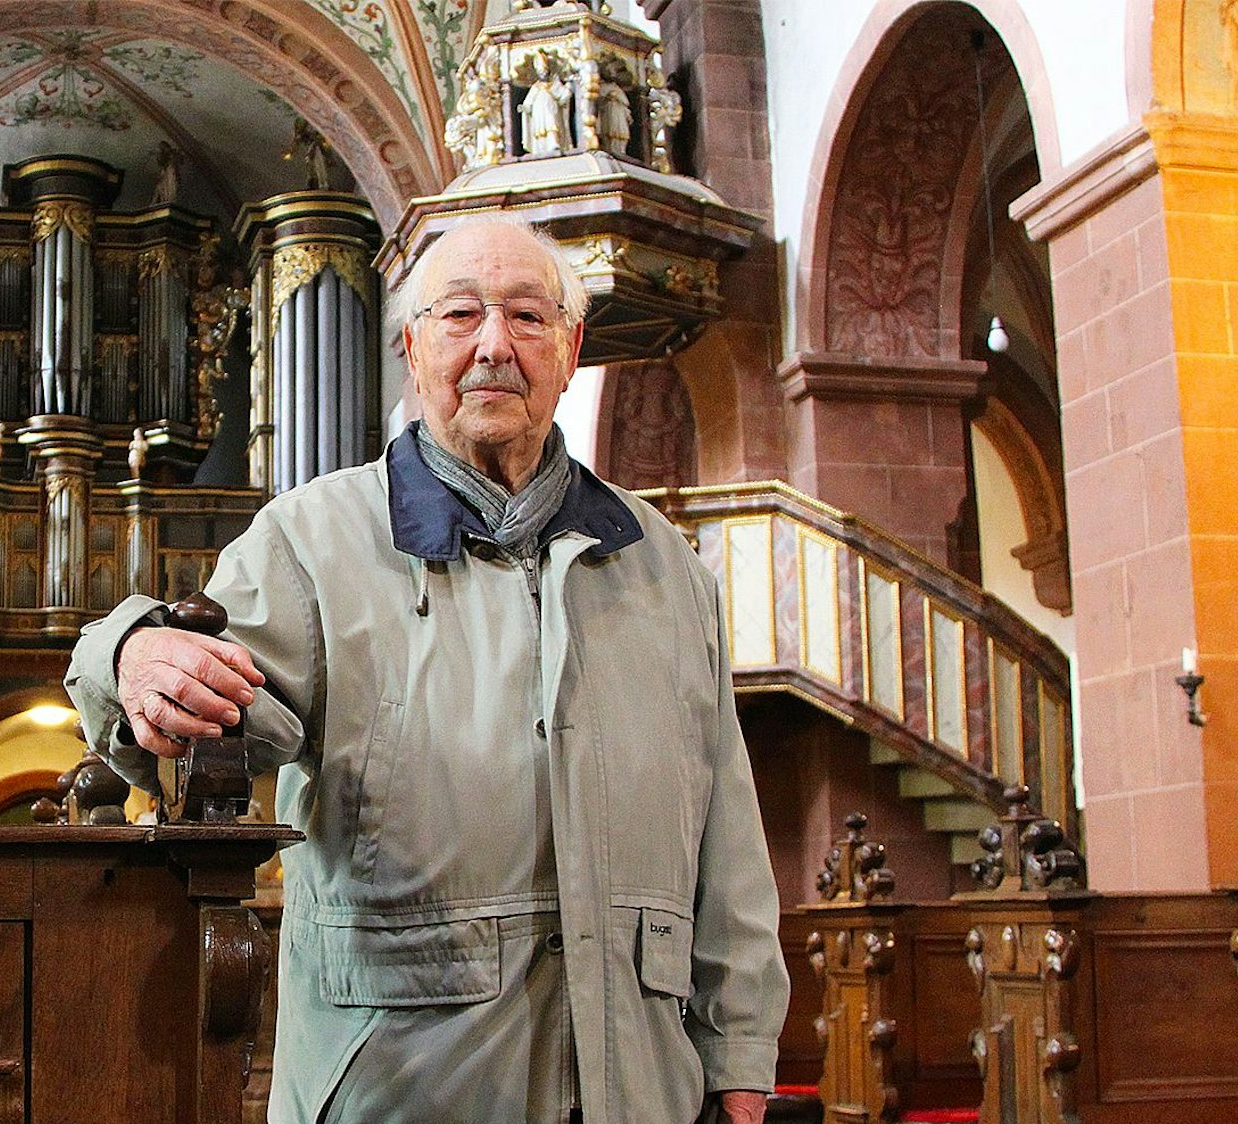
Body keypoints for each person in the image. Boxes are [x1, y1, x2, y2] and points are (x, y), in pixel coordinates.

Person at [64, 217, 787, 1124]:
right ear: (412, 347)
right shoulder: (311, 542)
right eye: (460, 315)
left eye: (528, 317)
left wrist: (740, 1052)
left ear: (571, 351)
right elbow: (188, 700)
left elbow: (725, 823)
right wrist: (131, 652)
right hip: (401, 1087)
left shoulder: (663, 563)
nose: (494, 346)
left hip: (638, 1086)